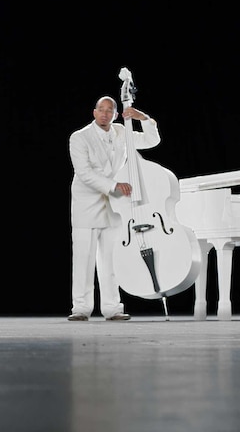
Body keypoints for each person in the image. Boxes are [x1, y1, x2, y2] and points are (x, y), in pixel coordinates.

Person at [67, 95, 160, 321]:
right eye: (102, 109)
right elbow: (84, 173)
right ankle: (80, 308)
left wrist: (143, 118)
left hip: (114, 206)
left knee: (111, 259)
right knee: (84, 259)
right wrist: (114, 185)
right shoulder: (79, 137)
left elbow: (152, 140)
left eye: (110, 110)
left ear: (116, 115)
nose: (106, 114)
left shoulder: (121, 132)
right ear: (94, 112)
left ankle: (112, 308)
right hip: (87, 204)